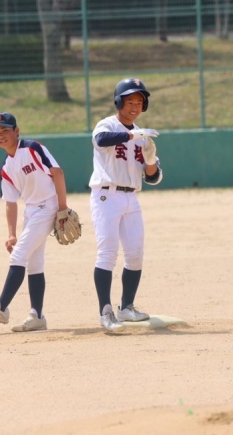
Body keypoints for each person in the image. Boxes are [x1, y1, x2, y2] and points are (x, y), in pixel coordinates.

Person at [0, 112, 74, 332]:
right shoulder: (6, 167)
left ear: (16, 131)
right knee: (34, 264)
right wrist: (11, 234)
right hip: (32, 211)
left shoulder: (32, 148)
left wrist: (62, 208)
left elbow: (57, 173)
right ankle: (37, 316)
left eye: (5, 130)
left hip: (48, 206)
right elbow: (10, 202)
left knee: (19, 256)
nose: (1, 135)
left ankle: (1, 308)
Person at [89, 77, 163, 332]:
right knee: (107, 253)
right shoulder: (107, 124)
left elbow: (152, 177)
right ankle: (105, 311)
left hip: (131, 197)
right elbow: (101, 140)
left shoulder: (142, 136)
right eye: (130, 101)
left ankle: (126, 307)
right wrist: (133, 134)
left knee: (135, 254)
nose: (135, 106)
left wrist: (150, 160)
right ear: (119, 102)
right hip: (106, 196)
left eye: (139, 102)